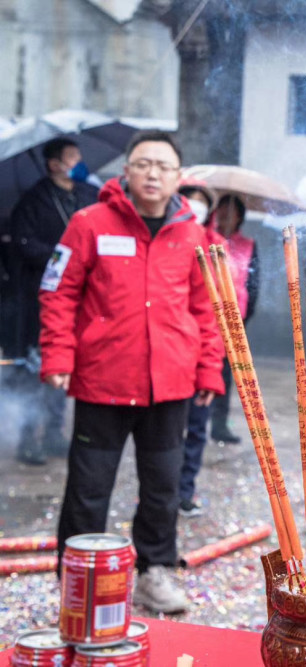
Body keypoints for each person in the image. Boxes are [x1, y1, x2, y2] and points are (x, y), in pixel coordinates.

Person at [39, 130, 224, 614]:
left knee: (162, 487)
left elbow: (205, 308)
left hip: (170, 385)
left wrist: (209, 370)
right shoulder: (89, 223)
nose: (153, 174)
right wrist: (58, 357)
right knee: (88, 488)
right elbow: (58, 292)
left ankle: (154, 573)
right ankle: (77, 578)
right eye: (143, 164)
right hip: (103, 380)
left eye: (163, 166)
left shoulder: (191, 231)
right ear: (126, 171)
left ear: (178, 178)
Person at [5, 138, 99, 465]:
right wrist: (62, 257)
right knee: (37, 367)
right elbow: (23, 244)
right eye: (73, 157)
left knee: (67, 365)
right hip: (40, 298)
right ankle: (28, 438)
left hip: (83, 299)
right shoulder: (33, 200)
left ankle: (55, 433)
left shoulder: (89, 196)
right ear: (54, 164)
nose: (79, 161)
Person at [176, 180, 222, 518]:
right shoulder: (167, 242)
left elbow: (216, 309)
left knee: (196, 428)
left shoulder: (216, 246)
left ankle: (184, 490)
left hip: (204, 349)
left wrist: (211, 364)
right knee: (163, 436)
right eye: (188, 200)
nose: (196, 207)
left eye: (201, 202)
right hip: (172, 353)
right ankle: (163, 492)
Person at [206, 194, 259, 445]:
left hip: (233, 321)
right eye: (222, 211)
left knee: (227, 375)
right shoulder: (204, 240)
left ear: (240, 217)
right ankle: (195, 421)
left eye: (232, 212)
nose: (226, 216)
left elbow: (254, 283)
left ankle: (219, 424)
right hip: (205, 319)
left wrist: (243, 318)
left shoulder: (249, 245)